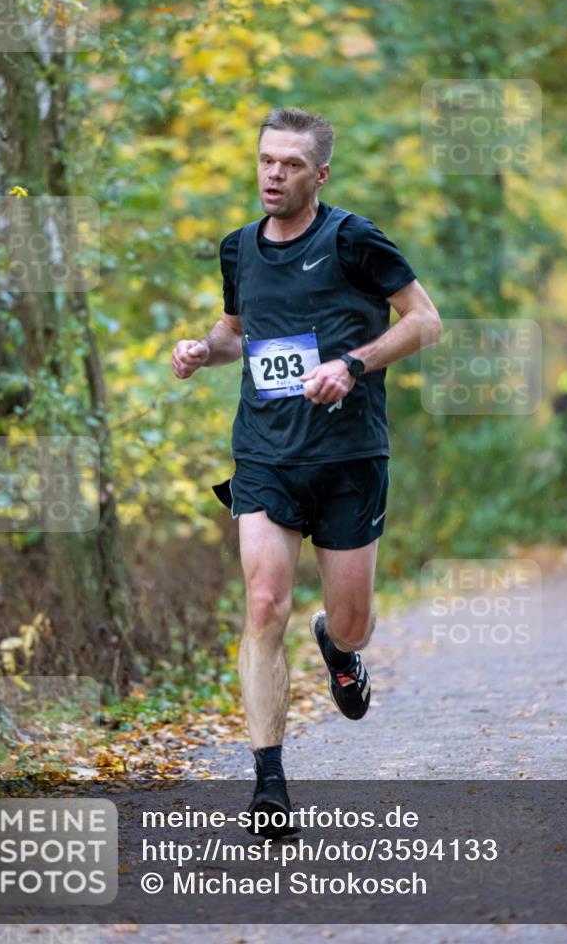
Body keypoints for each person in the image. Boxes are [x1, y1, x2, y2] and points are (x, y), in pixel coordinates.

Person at [171, 107, 442, 834]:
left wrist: (353, 364)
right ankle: (268, 783)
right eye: (265, 160)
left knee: (351, 621)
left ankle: (339, 648)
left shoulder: (351, 239)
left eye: (289, 165)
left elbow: (424, 321)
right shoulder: (238, 250)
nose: (272, 174)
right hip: (265, 456)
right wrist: (201, 351)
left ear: (317, 174)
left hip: (349, 456)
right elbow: (236, 333)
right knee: (262, 606)